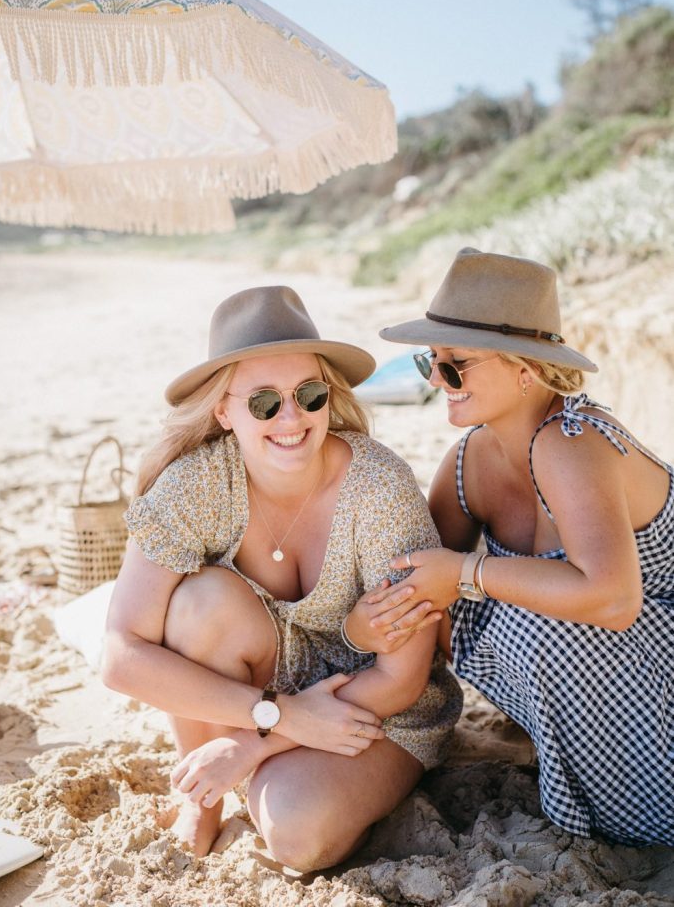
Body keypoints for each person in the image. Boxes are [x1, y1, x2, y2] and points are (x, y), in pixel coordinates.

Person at [101, 285, 462, 869]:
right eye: (264, 403)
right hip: (264, 694)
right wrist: (280, 715)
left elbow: (401, 677)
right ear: (224, 411)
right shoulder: (196, 485)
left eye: (309, 394)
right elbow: (121, 655)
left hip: (377, 703)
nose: (291, 418)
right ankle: (207, 798)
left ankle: (249, 766)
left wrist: (249, 743)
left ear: (329, 396)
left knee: (296, 833)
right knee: (199, 604)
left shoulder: (379, 489)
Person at [345, 247, 674, 847]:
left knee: (538, 623)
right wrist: (367, 627)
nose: (438, 382)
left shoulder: (572, 441)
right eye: (431, 364)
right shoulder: (470, 459)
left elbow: (613, 600)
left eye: (456, 367)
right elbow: (417, 587)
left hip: (658, 656)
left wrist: (466, 572)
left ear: (527, 368)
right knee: (472, 604)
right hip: (607, 674)